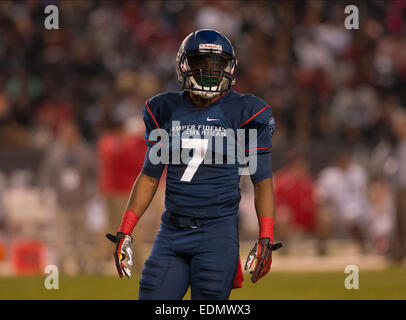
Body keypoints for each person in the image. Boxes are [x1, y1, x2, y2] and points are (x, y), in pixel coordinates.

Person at [106, 29, 282, 300]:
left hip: (216, 233)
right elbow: (150, 176)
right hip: (171, 231)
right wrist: (125, 230)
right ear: (184, 65)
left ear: (230, 68)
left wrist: (266, 237)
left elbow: (262, 181)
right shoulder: (163, 108)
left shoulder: (246, 112)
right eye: (200, 64)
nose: (209, 72)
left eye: (217, 65)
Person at [39, 120, 98, 274]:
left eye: (71, 134)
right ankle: (61, 265)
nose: (69, 137)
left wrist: (91, 194)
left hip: (80, 201)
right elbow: (46, 174)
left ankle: (82, 264)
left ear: (76, 135)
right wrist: (45, 192)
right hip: (62, 202)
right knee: (61, 236)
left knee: (82, 236)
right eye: (66, 134)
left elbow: (94, 174)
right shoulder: (55, 152)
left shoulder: (84, 152)